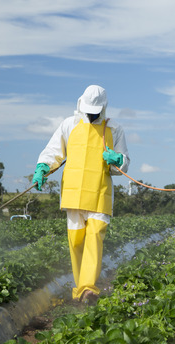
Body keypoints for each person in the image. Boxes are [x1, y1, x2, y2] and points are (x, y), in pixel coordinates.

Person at [32, 85, 129, 305]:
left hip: (99, 192)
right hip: (73, 192)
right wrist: (42, 168)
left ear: (103, 107)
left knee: (95, 237)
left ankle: (88, 289)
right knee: (76, 241)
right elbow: (53, 151)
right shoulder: (69, 124)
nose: (92, 113)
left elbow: (124, 164)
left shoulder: (114, 129)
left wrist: (118, 160)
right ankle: (80, 290)